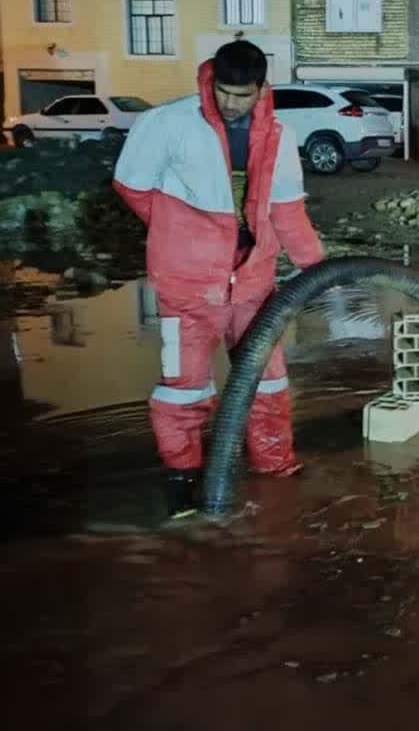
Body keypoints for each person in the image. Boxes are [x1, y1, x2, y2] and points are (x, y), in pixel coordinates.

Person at [113, 40, 325, 518]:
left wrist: (317, 267)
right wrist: (181, 235)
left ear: (260, 89)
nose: (231, 103)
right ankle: (184, 480)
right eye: (224, 91)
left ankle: (276, 467)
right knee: (184, 389)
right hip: (186, 287)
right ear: (211, 81)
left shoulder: (278, 135)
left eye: (242, 94)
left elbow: (288, 211)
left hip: (253, 283)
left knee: (267, 382)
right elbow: (132, 186)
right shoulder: (168, 124)